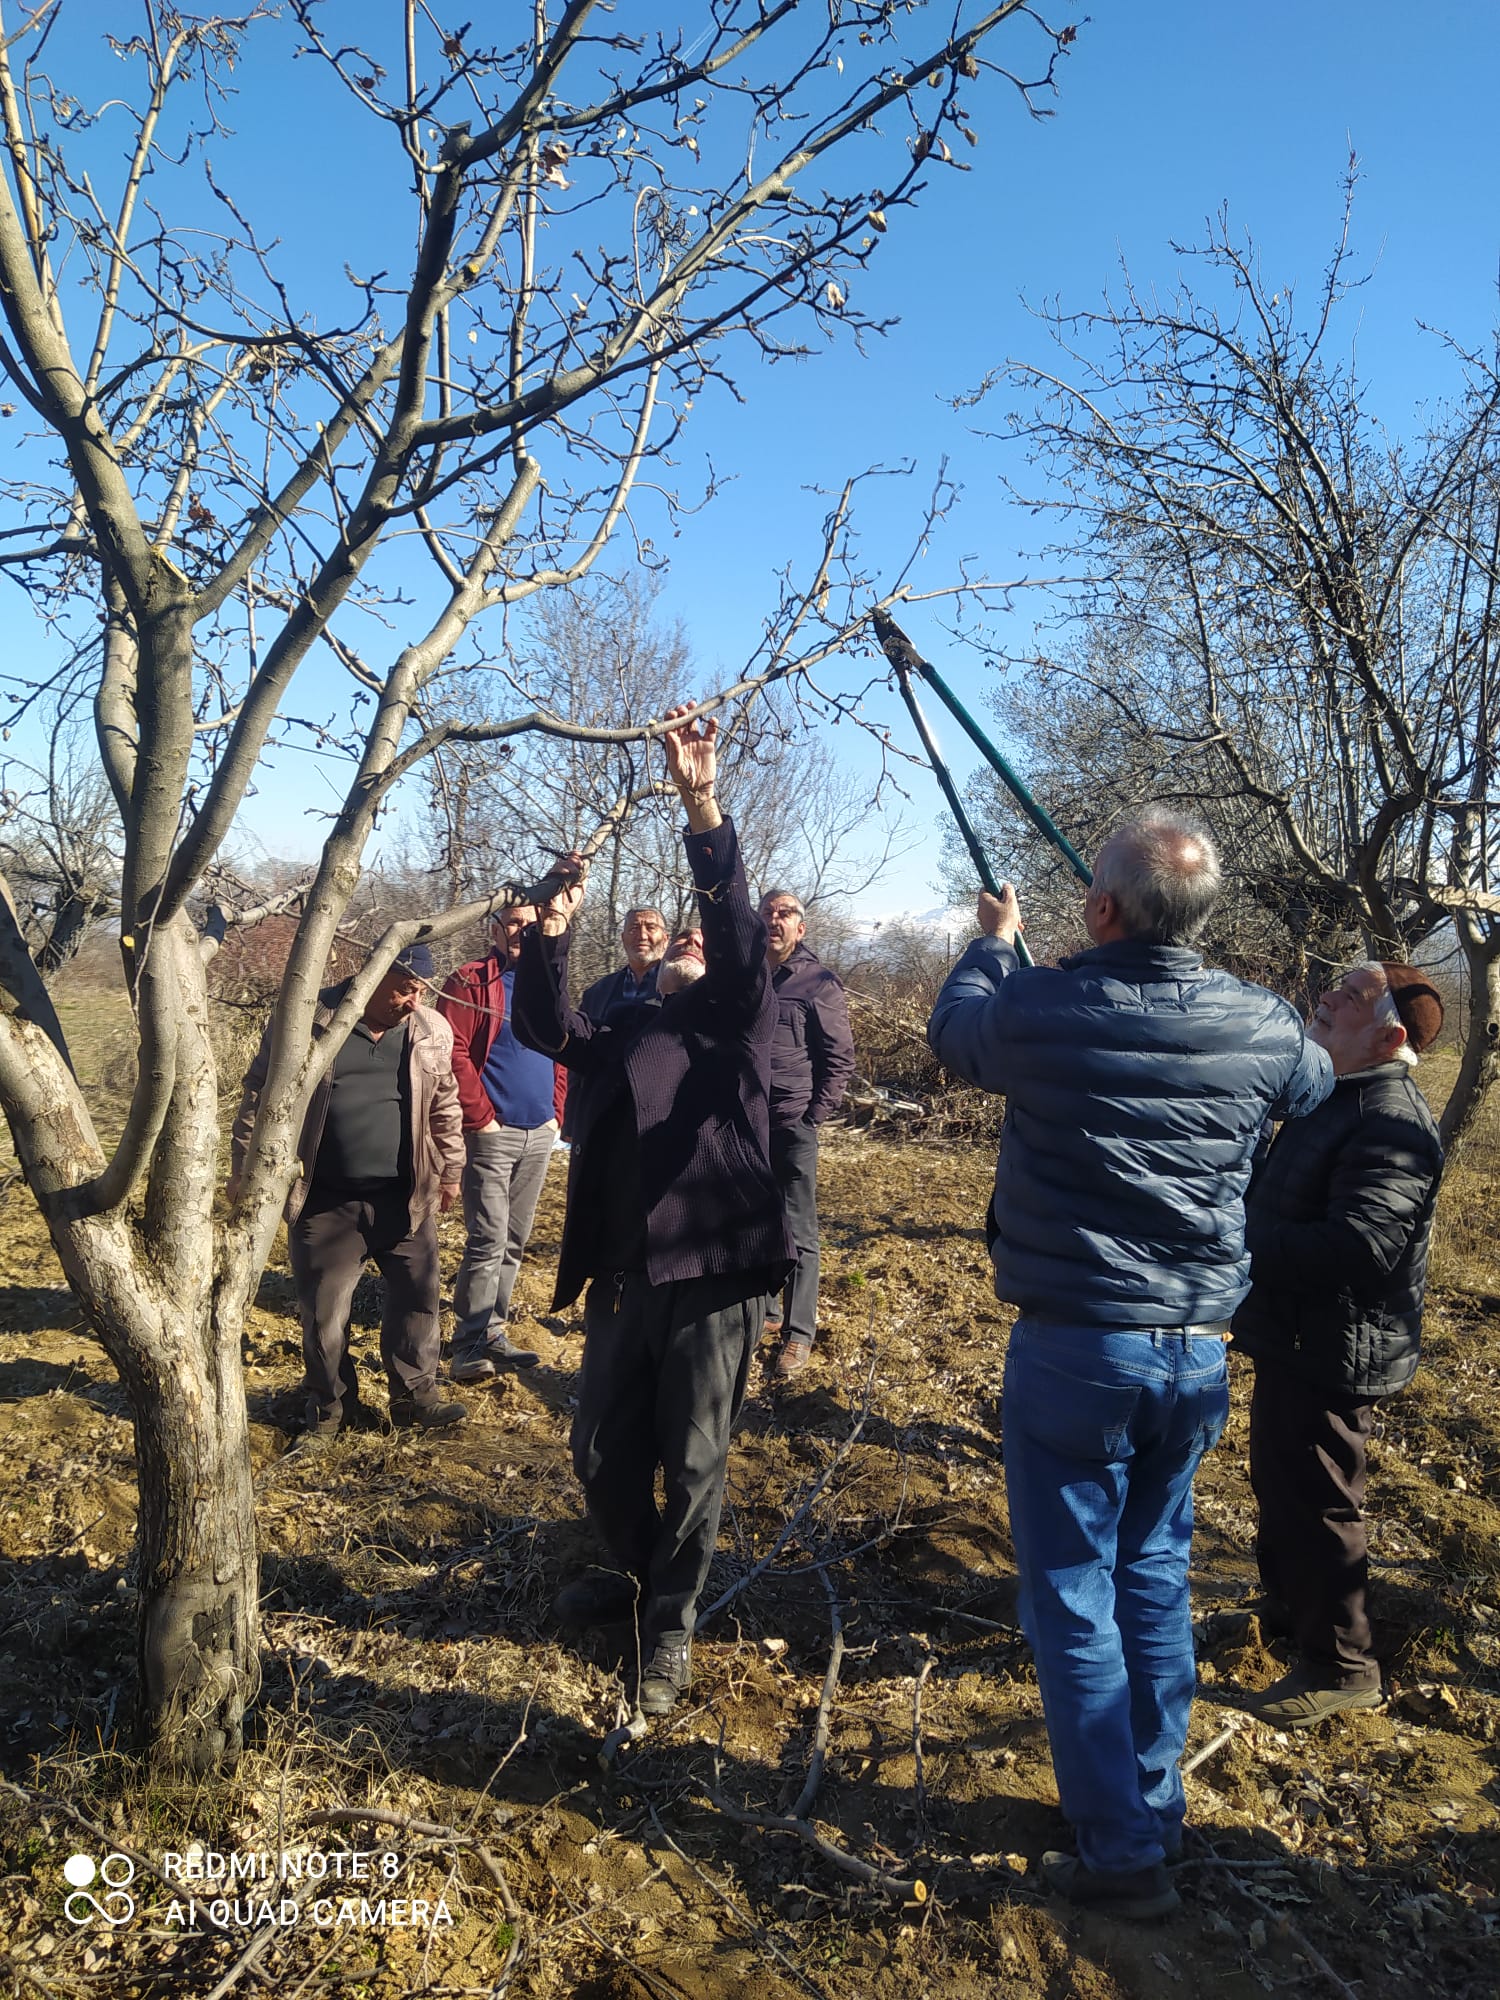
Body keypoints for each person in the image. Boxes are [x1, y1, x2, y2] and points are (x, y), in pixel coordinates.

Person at [927, 810, 1332, 1921]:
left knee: (1073, 1596)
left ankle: (1119, 1848)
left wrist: (994, 942)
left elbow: (956, 1030)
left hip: (1078, 1347)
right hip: (1197, 1352)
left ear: (1102, 909)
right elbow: (1309, 1079)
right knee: (1153, 1578)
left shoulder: (1043, 1006)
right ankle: (1148, 1807)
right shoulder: (1260, 1022)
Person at [511, 705, 792, 1718]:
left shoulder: (739, 1015)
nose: (681, 944)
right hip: (625, 1276)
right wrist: (551, 931)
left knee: (697, 1458)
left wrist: (699, 801)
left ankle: (668, 1627)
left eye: (695, 940)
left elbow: (733, 927)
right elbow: (547, 1024)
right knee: (599, 1450)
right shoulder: (634, 1025)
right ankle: (635, 1574)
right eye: (669, 940)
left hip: (712, 1275)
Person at [1232, 962, 1444, 1727]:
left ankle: (1343, 1666)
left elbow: (1359, 1247)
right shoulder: (1336, 1096)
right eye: (1333, 986)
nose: (1325, 997)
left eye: (1349, 997)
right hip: (1295, 1334)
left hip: (1334, 1346)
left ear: (1389, 1036)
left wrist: (1241, 1239)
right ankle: (1289, 1616)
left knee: (1321, 1502)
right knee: (1280, 1483)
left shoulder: (1391, 1121)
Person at [230, 944, 466, 1442]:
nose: (413, 999)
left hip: (406, 1199)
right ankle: (332, 1410)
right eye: (405, 986)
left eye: (421, 988)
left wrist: (450, 1171)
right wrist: (246, 1170)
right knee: (323, 1316)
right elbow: (261, 1092)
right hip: (326, 1201)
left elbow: (445, 1103)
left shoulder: (430, 1028)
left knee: (418, 1303)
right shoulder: (312, 1020)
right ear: (372, 976)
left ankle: (415, 1402)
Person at [436, 891, 568, 1382]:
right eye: (512, 924)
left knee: (515, 1238)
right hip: (492, 1132)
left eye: (529, 925)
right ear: (494, 929)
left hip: (540, 1133)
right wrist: (482, 1118)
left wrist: (557, 1113)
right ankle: (467, 1342)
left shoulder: (546, 981)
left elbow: (559, 1048)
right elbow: (454, 1054)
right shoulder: (471, 981)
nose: (520, 933)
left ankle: (494, 1329)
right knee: (488, 1237)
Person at [758, 889, 855, 1377]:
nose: (775, 920)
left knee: (799, 1229)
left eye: (785, 914)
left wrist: (812, 1117)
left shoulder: (818, 981)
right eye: (768, 913)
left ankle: (799, 1333)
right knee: (758, 1220)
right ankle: (768, 1315)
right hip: (746, 1123)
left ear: (801, 927)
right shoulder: (748, 974)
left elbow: (839, 1059)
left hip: (793, 1122)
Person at [578, 906, 669, 1026]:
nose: (642, 936)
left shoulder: (682, 987)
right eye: (633, 929)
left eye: (651, 928)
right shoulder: (596, 994)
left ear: (665, 939)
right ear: (623, 939)